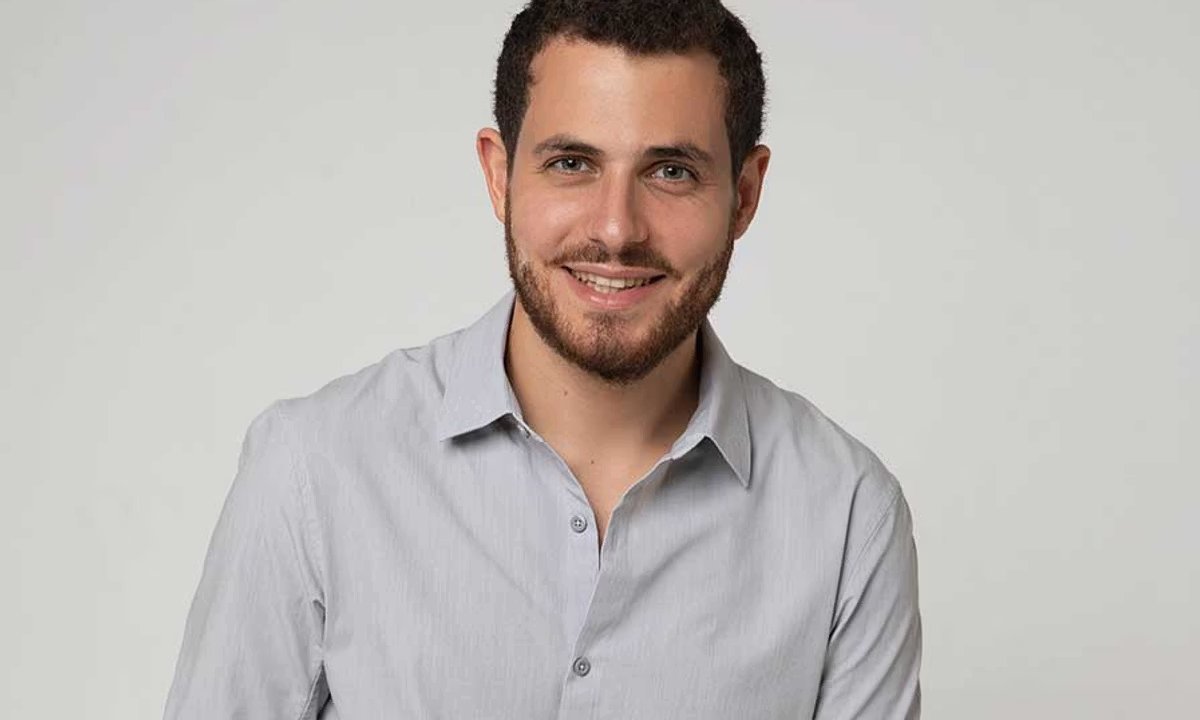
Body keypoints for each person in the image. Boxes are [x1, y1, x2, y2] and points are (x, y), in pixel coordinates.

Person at [163, 1, 922, 718]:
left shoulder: (848, 517)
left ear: (745, 195)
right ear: (499, 175)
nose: (617, 230)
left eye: (671, 171)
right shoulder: (314, 471)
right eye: (572, 163)